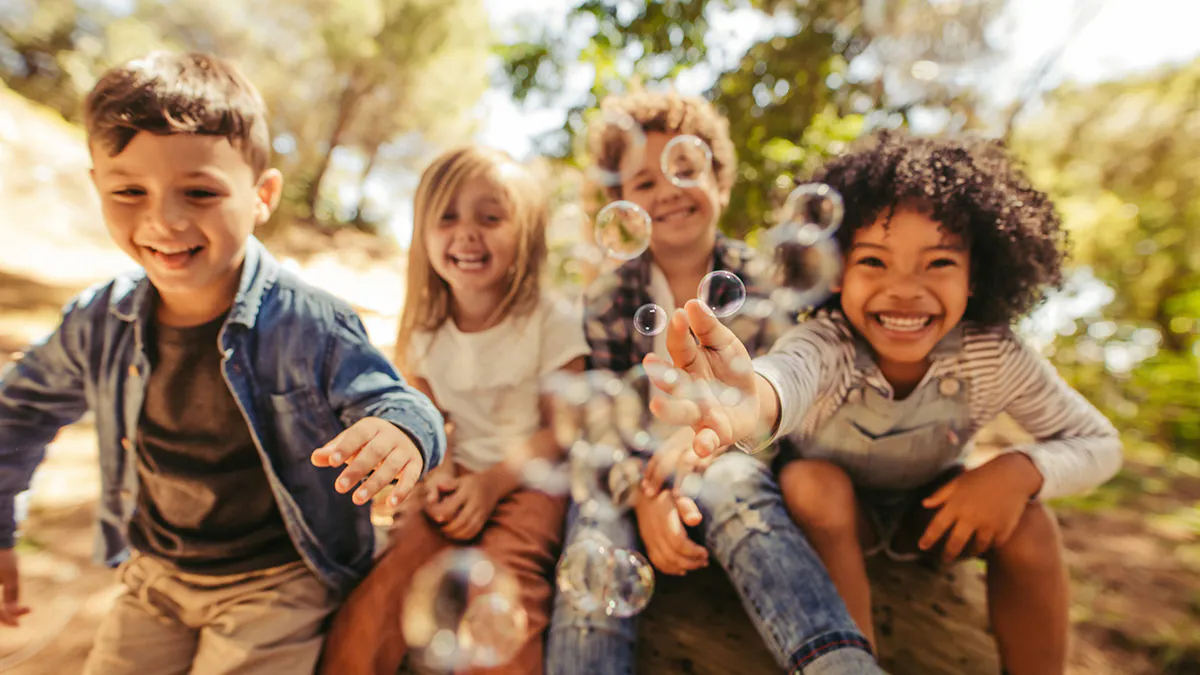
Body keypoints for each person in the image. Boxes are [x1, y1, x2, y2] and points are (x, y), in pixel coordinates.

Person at [0, 52, 446, 674]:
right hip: (156, 577)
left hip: (277, 584)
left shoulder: (309, 321)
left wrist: (401, 433)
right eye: (129, 190)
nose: (163, 219)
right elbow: (14, 415)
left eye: (200, 192)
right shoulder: (98, 321)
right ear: (97, 186)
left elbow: (399, 402)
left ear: (262, 196)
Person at [646, 129, 1123, 675]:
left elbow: (1101, 443)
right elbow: (785, 379)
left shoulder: (992, 354)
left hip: (932, 513)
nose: (904, 289)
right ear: (834, 272)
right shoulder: (828, 342)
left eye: (938, 263)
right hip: (832, 514)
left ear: (978, 276)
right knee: (812, 482)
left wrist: (1019, 471)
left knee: (1032, 521)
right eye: (874, 262)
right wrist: (749, 401)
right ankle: (855, 663)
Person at [545, 89, 883, 675]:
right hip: (628, 467)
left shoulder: (759, 284)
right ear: (622, 207)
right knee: (595, 522)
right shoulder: (606, 301)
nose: (668, 191)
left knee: (736, 490)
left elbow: (773, 406)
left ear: (720, 183)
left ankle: (839, 664)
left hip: (726, 457)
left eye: (685, 168)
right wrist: (644, 492)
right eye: (644, 183)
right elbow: (596, 419)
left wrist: (694, 456)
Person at [319, 146, 590, 675]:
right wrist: (440, 472)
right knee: (393, 575)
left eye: (491, 217)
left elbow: (565, 424)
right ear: (423, 234)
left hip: (530, 481)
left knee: (508, 587)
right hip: (455, 476)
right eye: (447, 217)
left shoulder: (549, 320)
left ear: (527, 235)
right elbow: (428, 419)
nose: (467, 233)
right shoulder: (424, 334)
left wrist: (491, 484)